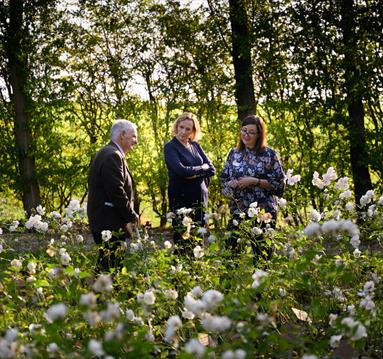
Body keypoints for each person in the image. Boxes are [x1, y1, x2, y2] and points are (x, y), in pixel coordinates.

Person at [220, 114, 285, 260]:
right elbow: (223, 181)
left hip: (264, 212)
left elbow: (279, 184)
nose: (246, 135)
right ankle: (231, 283)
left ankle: (263, 282)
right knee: (230, 255)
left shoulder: (269, 154)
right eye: (244, 130)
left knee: (262, 257)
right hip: (239, 211)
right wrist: (231, 184)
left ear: (259, 135)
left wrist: (255, 181)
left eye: (251, 132)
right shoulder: (234, 153)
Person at [87, 119, 139, 272]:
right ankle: (98, 295)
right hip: (109, 222)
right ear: (122, 135)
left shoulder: (109, 152)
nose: (136, 141)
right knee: (110, 266)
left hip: (107, 221)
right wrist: (131, 215)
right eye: (134, 136)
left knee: (108, 264)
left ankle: (97, 294)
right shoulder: (112, 155)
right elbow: (116, 191)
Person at [164, 112, 215, 253]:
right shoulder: (170, 147)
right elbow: (181, 171)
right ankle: (181, 273)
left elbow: (211, 169)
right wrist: (201, 169)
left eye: (188, 129)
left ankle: (195, 272)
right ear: (176, 126)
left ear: (193, 131)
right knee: (183, 239)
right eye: (181, 127)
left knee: (198, 239)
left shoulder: (195, 146)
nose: (183, 132)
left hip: (200, 199)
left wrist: (193, 173)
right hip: (181, 199)